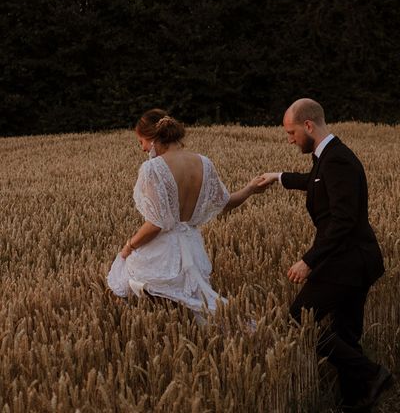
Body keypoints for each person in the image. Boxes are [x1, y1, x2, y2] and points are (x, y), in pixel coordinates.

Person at [262, 98, 392, 412]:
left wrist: (309, 260)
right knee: (345, 335)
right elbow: (317, 183)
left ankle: (374, 374)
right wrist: (279, 177)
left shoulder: (338, 160)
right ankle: (356, 401)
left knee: (298, 321)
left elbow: (344, 220)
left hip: (346, 262)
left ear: (309, 125)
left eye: (292, 132)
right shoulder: (329, 157)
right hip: (352, 261)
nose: (289, 139)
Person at [107, 108, 267, 314]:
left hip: (162, 254)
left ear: (153, 139)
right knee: (190, 309)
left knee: (129, 284)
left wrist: (129, 246)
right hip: (192, 249)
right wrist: (251, 188)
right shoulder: (204, 163)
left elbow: (156, 224)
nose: (142, 148)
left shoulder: (152, 169)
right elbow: (226, 203)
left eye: (141, 142)